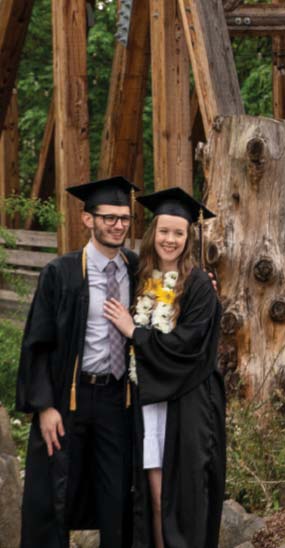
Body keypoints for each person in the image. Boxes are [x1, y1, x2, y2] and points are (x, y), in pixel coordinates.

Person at [15, 176, 140, 547]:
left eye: (124, 218)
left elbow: (177, 289)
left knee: (117, 492)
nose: (118, 225)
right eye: (109, 218)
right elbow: (37, 343)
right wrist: (44, 406)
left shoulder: (136, 269)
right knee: (55, 491)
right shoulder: (61, 273)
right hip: (69, 399)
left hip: (119, 400)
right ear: (88, 219)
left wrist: (206, 286)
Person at [103, 186, 226, 548]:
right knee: (154, 493)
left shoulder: (199, 286)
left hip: (187, 404)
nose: (169, 240)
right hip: (150, 401)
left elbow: (187, 347)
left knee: (182, 497)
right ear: (152, 232)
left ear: (189, 238)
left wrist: (133, 332)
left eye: (178, 232)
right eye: (163, 231)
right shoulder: (140, 277)